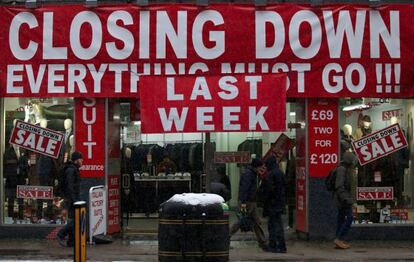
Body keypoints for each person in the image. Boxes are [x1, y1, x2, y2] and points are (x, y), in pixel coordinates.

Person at [229, 158, 267, 250]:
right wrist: (243, 202)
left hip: (250, 201)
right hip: (248, 202)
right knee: (242, 221)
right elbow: (244, 189)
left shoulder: (251, 173)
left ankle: (262, 242)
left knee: (255, 222)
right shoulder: (249, 174)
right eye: (260, 167)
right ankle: (226, 237)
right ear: (256, 167)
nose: (261, 169)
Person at [56, 151, 83, 247]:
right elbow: (70, 186)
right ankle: (61, 234)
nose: (82, 161)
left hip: (73, 198)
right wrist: (74, 199)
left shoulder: (74, 169)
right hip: (72, 199)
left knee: (74, 220)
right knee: (76, 220)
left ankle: (71, 241)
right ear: (76, 160)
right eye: (80, 159)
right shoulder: (71, 170)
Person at [263, 155, 287, 253]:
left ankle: (273, 245)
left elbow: (269, 190)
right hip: (279, 202)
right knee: (278, 224)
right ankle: (281, 246)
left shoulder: (271, 174)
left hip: (272, 203)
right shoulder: (280, 173)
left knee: (273, 225)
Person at [334, 151, 357, 249]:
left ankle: (339, 240)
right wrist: (348, 199)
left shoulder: (345, 169)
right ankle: (339, 239)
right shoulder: (342, 170)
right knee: (350, 218)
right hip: (343, 200)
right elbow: (339, 186)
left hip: (342, 199)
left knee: (341, 219)